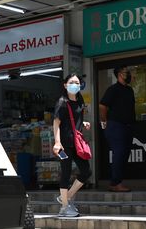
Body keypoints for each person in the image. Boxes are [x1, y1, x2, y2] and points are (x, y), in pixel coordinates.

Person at [52, 74, 92, 217]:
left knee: (86, 171)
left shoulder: (80, 100)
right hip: (64, 146)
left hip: (76, 144)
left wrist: (83, 123)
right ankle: (64, 207)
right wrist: (57, 142)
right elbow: (56, 123)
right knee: (66, 172)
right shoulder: (62, 102)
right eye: (72, 82)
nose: (75, 84)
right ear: (65, 85)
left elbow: (76, 119)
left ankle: (66, 197)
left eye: (77, 82)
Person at [99, 66, 135, 192]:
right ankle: (116, 183)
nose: (129, 74)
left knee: (124, 155)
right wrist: (104, 124)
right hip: (115, 126)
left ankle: (116, 182)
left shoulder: (129, 90)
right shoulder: (113, 89)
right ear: (119, 74)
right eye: (126, 72)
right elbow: (102, 106)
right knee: (119, 154)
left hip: (127, 126)